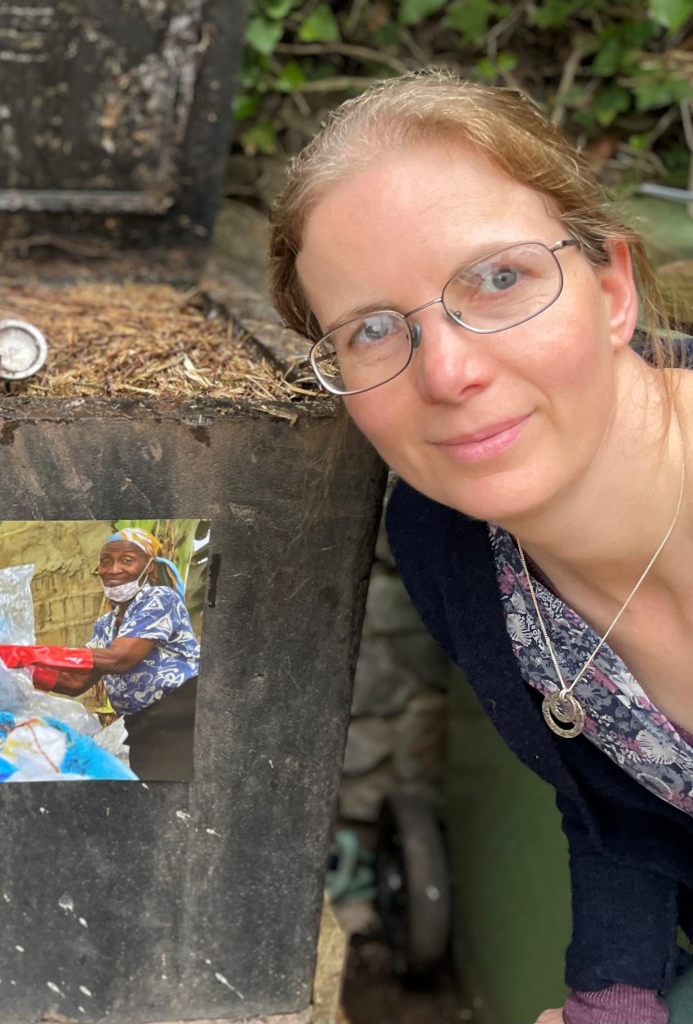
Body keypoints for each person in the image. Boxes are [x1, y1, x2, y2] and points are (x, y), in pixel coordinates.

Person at [268, 69, 693, 1024]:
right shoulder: (451, 545)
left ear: (613, 287)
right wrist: (615, 997)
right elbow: (618, 809)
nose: (450, 372)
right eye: (372, 329)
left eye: (499, 279)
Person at [0, 527, 200, 781]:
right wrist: (14, 669)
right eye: (106, 561)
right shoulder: (106, 625)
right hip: (141, 726)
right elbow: (75, 681)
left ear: (148, 567)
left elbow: (120, 659)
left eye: (126, 560)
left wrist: (31, 654)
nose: (113, 569)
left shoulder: (160, 599)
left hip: (182, 715)